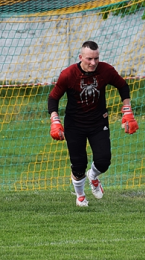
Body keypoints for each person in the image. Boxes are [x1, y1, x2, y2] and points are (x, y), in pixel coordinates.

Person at [47, 40, 139, 207]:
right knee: (78, 164)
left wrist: (127, 109)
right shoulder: (68, 74)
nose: (93, 63)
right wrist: (55, 120)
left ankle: (93, 176)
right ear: (81, 57)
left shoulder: (106, 70)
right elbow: (53, 98)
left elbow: (123, 86)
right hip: (74, 124)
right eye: (89, 59)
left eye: (96, 58)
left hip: (98, 122)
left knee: (104, 160)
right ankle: (80, 196)